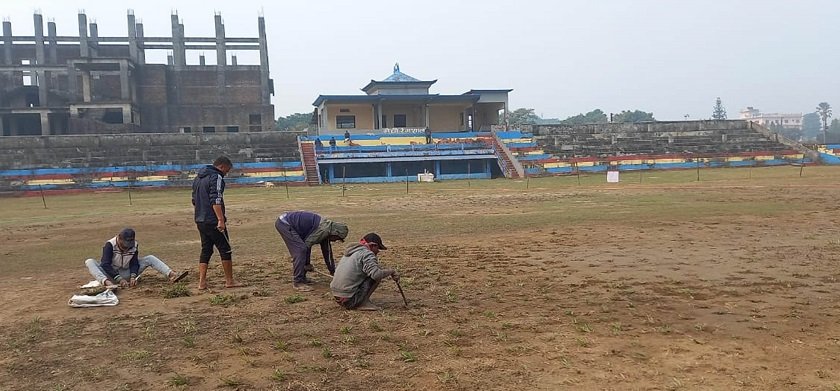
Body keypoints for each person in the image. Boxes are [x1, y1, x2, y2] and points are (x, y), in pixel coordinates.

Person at [192, 155, 243, 290]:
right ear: (222, 166)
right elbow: (216, 199)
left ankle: (202, 282)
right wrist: (220, 219)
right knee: (225, 249)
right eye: (227, 170)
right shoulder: (216, 177)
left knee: (206, 250)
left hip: (200, 220)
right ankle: (229, 281)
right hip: (213, 220)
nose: (226, 173)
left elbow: (194, 200)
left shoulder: (198, 178)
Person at [85, 228, 188, 288]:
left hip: (127, 273)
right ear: (119, 238)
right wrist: (118, 279)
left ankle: (172, 274)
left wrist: (133, 276)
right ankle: (108, 284)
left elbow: (134, 263)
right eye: (125, 243)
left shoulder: (134, 245)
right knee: (90, 261)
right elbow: (105, 264)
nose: (127, 246)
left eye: (129, 243)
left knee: (150, 258)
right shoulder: (110, 245)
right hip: (110, 275)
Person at [275, 211, 349, 291]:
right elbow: (307, 245)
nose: (335, 241)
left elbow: (327, 253)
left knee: (302, 249)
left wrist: (333, 272)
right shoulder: (323, 230)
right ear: (335, 233)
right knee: (301, 250)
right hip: (285, 223)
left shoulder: (327, 231)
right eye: (337, 238)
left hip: (288, 223)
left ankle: (302, 278)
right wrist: (307, 264)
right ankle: (298, 282)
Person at [330, 233, 399, 311]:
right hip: (349, 300)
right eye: (378, 248)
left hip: (338, 297)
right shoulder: (367, 253)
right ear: (373, 245)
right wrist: (391, 271)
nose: (378, 252)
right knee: (376, 274)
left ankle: (358, 300)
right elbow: (376, 275)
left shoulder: (352, 252)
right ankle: (363, 303)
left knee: (373, 271)